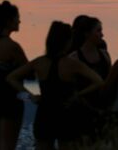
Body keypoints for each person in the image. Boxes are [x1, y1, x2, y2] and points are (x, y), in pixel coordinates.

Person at [7, 21, 103, 149]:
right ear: (67, 41)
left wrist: (31, 96)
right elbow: (98, 81)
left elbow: (12, 77)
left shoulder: (39, 62)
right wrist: (78, 95)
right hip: (66, 115)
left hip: (44, 113)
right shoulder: (72, 63)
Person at [0, 0, 29, 150]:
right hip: (10, 100)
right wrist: (38, 95)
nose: (19, 21)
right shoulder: (12, 46)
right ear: (9, 21)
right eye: (17, 17)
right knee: (9, 144)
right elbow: (29, 72)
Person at [69, 15, 112, 141]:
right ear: (87, 34)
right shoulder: (74, 58)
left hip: (102, 112)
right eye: (98, 31)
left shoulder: (105, 56)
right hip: (80, 114)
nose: (102, 35)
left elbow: (108, 83)